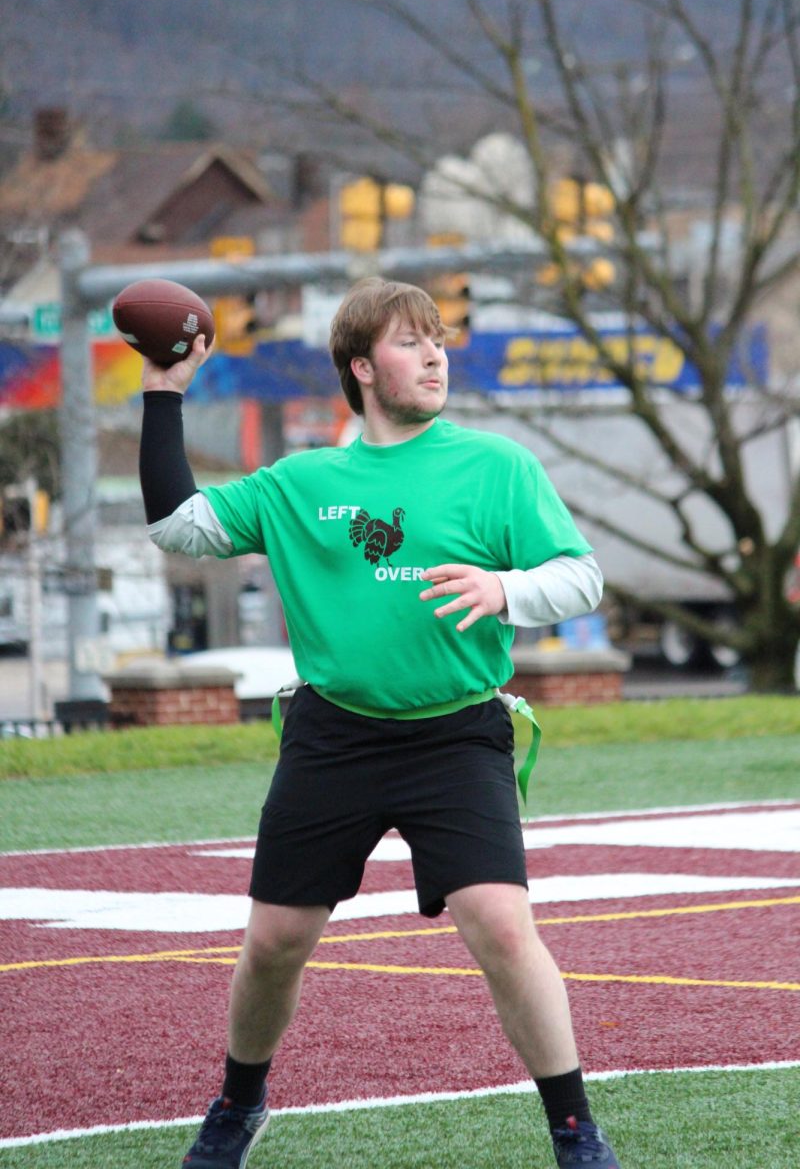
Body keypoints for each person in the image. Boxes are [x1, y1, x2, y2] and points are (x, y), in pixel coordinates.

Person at [138, 277, 621, 1169]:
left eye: (440, 340)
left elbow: (582, 578)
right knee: (276, 942)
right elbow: (176, 526)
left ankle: (574, 1132)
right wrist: (163, 396)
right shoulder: (303, 480)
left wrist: (507, 588)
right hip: (335, 735)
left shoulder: (497, 466)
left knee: (503, 926)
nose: (436, 355)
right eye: (412, 342)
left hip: (458, 733)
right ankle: (239, 1104)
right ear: (362, 366)